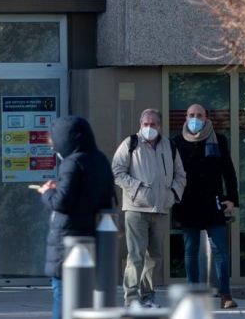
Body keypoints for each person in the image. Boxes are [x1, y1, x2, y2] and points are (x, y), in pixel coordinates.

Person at [36, 116, 114, 319]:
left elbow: (62, 203)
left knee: (61, 293)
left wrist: (46, 192)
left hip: (67, 240)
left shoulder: (72, 162)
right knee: (84, 299)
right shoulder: (100, 159)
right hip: (93, 240)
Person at [112, 108, 186, 308]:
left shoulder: (169, 146)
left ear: (160, 126)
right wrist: (137, 190)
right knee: (135, 255)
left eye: (153, 124)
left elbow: (180, 174)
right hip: (136, 209)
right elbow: (117, 171)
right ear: (140, 124)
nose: (149, 127)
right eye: (146, 124)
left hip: (161, 209)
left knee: (155, 257)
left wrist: (172, 195)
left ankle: (148, 297)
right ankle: (132, 300)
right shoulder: (131, 143)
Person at [172, 104, 239, 309]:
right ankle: (194, 294)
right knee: (190, 250)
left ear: (206, 117)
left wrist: (232, 200)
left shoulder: (218, 140)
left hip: (213, 203)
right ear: (186, 116)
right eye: (191, 115)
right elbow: (170, 175)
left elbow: (228, 172)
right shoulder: (176, 142)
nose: (195, 118)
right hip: (188, 204)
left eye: (199, 115)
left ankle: (225, 294)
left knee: (220, 250)